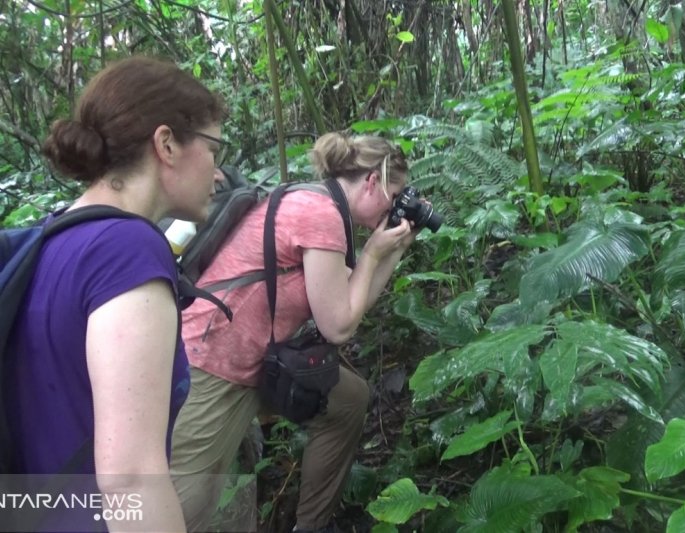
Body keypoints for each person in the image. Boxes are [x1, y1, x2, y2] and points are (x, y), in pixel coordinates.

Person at [3, 56, 226, 532]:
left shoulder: (53, 238)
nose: (218, 173)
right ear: (166, 144)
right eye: (214, 149)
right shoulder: (128, 251)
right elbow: (130, 478)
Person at [170, 132, 419, 532]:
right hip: (213, 363)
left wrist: (394, 249)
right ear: (372, 181)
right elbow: (338, 325)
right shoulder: (320, 215)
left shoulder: (314, 201)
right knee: (185, 504)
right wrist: (373, 251)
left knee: (348, 400)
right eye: (395, 192)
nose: (395, 205)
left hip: (259, 358)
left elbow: (351, 298)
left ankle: (311, 526)